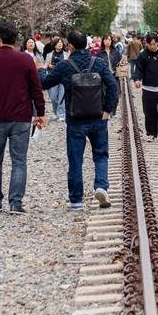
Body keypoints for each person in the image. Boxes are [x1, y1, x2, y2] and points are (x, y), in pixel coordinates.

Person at [40, 29, 119, 211]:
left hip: (75, 120)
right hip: (98, 118)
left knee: (75, 159)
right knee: (100, 155)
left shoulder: (65, 66)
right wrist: (107, 109)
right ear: (87, 44)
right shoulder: (98, 63)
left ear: (71, 46)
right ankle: (101, 186)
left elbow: (45, 83)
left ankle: (76, 201)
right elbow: (112, 86)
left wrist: (39, 71)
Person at [0, 22, 46, 214]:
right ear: (16, 40)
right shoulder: (25, 60)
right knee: (19, 161)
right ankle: (16, 202)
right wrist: (40, 112)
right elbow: (35, 89)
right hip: (21, 117)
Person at [131, 33, 158, 140]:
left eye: (154, 44)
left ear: (157, 43)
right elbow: (139, 69)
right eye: (150, 44)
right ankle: (151, 132)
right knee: (150, 111)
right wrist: (137, 79)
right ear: (147, 44)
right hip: (148, 87)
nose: (152, 46)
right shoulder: (143, 55)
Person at [45, 40, 68, 120]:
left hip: (63, 78)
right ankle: (55, 112)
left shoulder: (66, 55)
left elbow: (68, 66)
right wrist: (49, 66)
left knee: (62, 96)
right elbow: (45, 66)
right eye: (58, 43)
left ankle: (61, 114)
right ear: (54, 45)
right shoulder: (49, 55)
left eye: (61, 43)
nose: (60, 44)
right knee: (53, 96)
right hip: (53, 78)